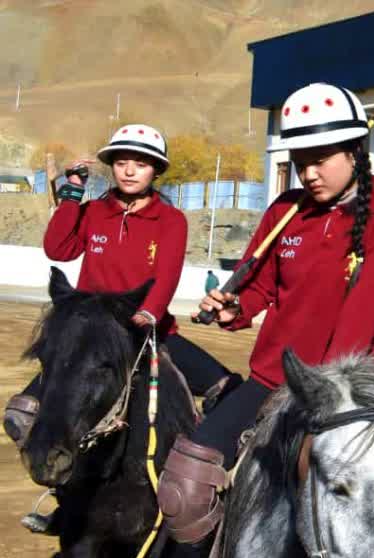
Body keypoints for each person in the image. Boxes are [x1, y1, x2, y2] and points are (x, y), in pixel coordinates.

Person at [156, 83, 374, 558]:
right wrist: (232, 308)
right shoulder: (283, 213)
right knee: (188, 481)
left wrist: (319, 393)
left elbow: (359, 317)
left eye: (320, 159)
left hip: (346, 393)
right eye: (299, 161)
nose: (309, 173)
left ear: (356, 152)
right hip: (271, 379)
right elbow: (261, 291)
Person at [4, 124, 238, 534]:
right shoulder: (94, 211)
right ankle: (64, 497)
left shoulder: (171, 220)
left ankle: (198, 488)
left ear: (156, 171)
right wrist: (72, 195)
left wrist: (148, 313)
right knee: (30, 412)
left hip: (149, 330)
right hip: (93, 339)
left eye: (141, 164)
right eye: (122, 163)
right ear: (111, 167)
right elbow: (58, 249)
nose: (130, 171)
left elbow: (166, 276)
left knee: (227, 388)